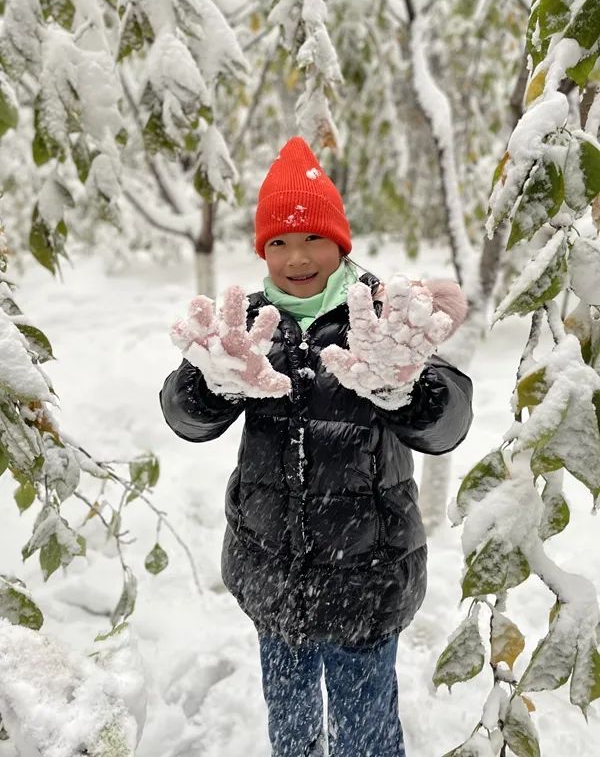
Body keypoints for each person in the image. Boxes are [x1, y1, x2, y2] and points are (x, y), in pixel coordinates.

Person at [159, 136, 473, 757]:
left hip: (369, 577)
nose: (296, 257)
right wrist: (212, 385)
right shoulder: (245, 328)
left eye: (312, 239)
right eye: (278, 242)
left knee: (366, 736)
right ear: (262, 251)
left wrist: (403, 388)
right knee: (294, 734)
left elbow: (448, 423)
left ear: (340, 243)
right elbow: (182, 414)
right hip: (273, 576)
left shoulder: (384, 320)